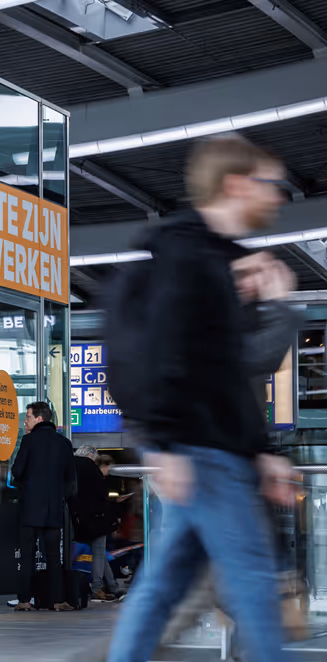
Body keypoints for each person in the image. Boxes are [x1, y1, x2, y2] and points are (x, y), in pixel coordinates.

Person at [106, 135, 299, 662]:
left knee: (163, 585)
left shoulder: (220, 262)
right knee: (255, 578)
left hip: (211, 448)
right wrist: (165, 443)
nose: (280, 196)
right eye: (271, 184)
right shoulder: (189, 257)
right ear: (236, 184)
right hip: (201, 450)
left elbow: (228, 373)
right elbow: (168, 350)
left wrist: (263, 449)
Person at [12, 402, 77, 612]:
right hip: (54, 508)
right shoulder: (64, 443)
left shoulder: (29, 441)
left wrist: (24, 486)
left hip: (31, 506)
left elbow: (18, 471)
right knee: (53, 557)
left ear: (39, 419)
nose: (25, 421)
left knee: (27, 554)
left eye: (28, 417)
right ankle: (57, 600)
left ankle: (24, 600)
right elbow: (70, 479)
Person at [70, 445, 119, 601]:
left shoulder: (70, 465)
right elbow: (100, 493)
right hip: (95, 517)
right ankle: (97, 588)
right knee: (99, 552)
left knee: (100, 553)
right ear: (90, 455)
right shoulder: (90, 467)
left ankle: (112, 586)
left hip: (76, 516)